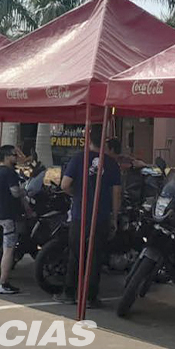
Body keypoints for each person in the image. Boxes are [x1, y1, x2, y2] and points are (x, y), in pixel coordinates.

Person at [56, 126, 121, 308]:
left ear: (89, 140)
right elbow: (116, 192)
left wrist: (77, 194)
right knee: (95, 257)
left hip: (80, 215)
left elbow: (65, 184)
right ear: (104, 143)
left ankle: (69, 293)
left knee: (76, 255)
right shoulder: (111, 163)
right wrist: (115, 216)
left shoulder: (79, 158)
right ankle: (90, 297)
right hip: (101, 216)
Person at [0, 145, 29, 295]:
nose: (16, 158)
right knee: (9, 250)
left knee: (7, 246)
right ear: (7, 157)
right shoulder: (9, 172)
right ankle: (3, 283)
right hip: (7, 214)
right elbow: (15, 192)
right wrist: (24, 190)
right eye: (14, 155)